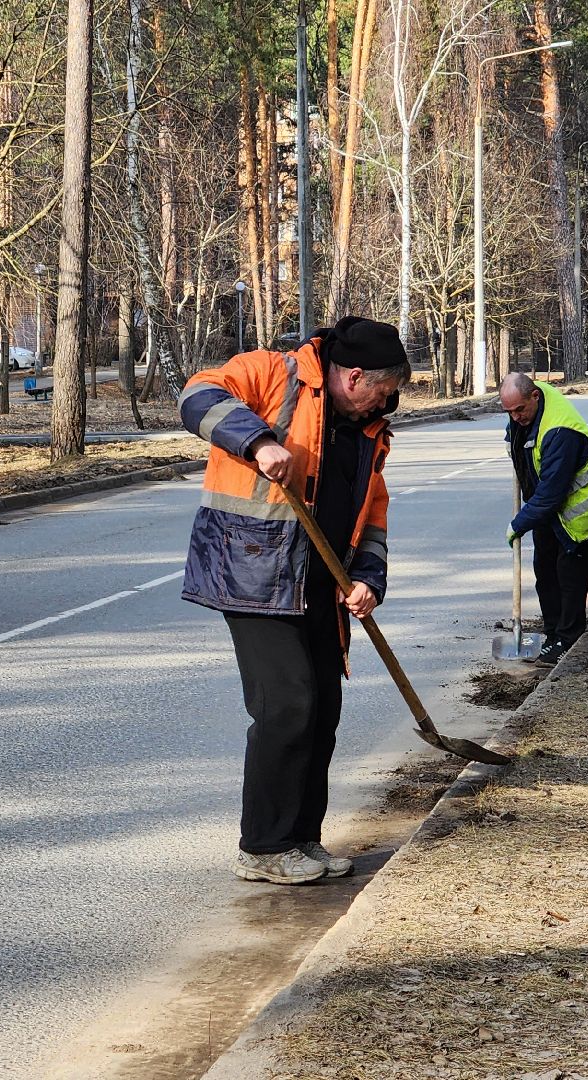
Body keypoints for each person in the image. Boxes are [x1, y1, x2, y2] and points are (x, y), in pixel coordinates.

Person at [180, 316, 413, 885]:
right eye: (381, 393)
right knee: (287, 705)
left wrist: (367, 580)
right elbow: (196, 394)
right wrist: (257, 440)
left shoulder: (369, 431)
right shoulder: (273, 373)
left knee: (323, 711)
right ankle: (262, 847)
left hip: (321, 586)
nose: (385, 405)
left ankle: (301, 839)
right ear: (354, 377)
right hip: (253, 575)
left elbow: (372, 512)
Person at [499, 373, 588, 668]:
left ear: (534, 397)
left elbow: (551, 494)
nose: (515, 416)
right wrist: (514, 437)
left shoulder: (561, 432)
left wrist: (519, 522)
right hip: (548, 511)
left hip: (579, 512)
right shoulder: (530, 409)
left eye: (519, 410)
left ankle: (568, 638)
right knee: (545, 571)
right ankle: (551, 634)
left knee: (569, 578)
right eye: (508, 412)